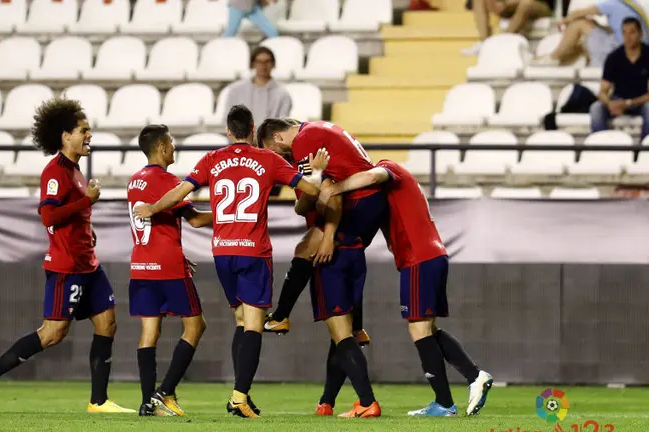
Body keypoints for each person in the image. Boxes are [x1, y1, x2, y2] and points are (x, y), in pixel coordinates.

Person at [132, 105, 322, 418]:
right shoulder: (268, 159)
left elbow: (180, 191)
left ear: (228, 132)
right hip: (253, 251)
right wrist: (316, 171)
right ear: (253, 129)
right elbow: (311, 189)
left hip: (222, 252)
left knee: (240, 321)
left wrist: (152, 209)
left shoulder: (212, 159)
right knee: (254, 324)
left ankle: (238, 392)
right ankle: (239, 397)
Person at [0, 98, 134, 414]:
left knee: (107, 323)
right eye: (83, 130)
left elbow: (68, 214)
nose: (89, 135)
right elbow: (48, 215)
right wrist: (87, 202)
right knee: (53, 334)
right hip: (66, 267)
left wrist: (86, 228)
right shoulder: (55, 172)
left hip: (88, 264)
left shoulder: (75, 171)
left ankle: (99, 401)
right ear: (65, 136)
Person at [315, 157, 494, 417]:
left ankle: (460, 389)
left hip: (419, 258)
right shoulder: (388, 195)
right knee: (429, 329)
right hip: (429, 255)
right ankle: (459, 389)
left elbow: (373, 176)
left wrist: (333, 188)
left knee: (419, 328)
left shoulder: (387, 167)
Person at [257, 119, 386, 418]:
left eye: (270, 150)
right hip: (362, 221)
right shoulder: (320, 133)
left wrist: (327, 236)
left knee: (308, 249)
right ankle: (326, 400)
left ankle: (281, 316)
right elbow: (309, 199)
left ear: (277, 137)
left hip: (353, 210)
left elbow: (328, 191)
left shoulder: (305, 140)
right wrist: (307, 194)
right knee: (341, 331)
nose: (275, 157)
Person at [128, 124, 214, 417]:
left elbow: (157, 224)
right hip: (168, 267)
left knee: (149, 332)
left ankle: (147, 403)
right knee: (195, 326)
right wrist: (229, 213)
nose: (174, 147)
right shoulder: (167, 180)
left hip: (141, 265)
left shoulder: (135, 181)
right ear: (163, 147)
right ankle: (165, 392)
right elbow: (196, 220)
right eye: (172, 143)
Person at [533, 0, 649, 67]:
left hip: (622, 54)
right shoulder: (633, 6)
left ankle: (552, 58)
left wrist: (564, 21)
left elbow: (579, 13)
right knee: (587, 35)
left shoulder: (613, 4)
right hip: (636, 54)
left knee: (579, 24)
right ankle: (554, 62)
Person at [590, 17, 649, 139]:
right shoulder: (614, 57)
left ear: (640, 34)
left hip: (641, 102)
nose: (628, 37)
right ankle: (601, 145)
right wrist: (610, 104)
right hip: (618, 99)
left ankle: (644, 146)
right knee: (596, 108)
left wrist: (628, 103)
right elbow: (603, 91)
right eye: (624, 32)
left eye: (632, 32)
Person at [225, 46, 292, 128]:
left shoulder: (283, 94)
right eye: (259, 61)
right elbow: (228, 121)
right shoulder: (235, 91)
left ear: (273, 64)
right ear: (253, 64)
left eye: (267, 61)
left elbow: (283, 126)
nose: (263, 65)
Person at [462, 0, 553, 56]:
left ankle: (502, 42)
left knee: (526, 4)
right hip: (509, 5)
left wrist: (508, 3)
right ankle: (484, 44)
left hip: (539, 5)